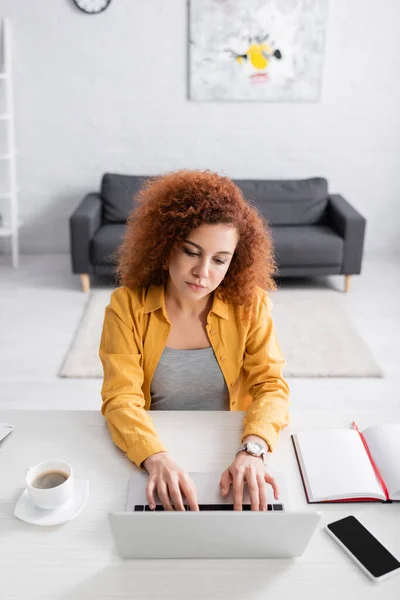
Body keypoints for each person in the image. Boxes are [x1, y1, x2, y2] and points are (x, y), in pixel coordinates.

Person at [99, 170, 290, 512]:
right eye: (191, 252)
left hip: (231, 446)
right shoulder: (126, 307)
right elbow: (120, 399)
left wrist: (254, 449)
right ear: (166, 244)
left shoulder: (252, 306)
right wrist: (155, 458)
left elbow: (271, 386)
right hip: (154, 448)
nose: (203, 272)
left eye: (219, 260)